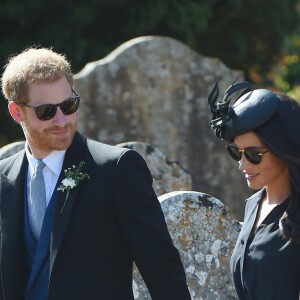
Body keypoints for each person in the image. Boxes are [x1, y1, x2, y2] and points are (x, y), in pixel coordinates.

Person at [0, 47, 191, 300]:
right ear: (16, 112)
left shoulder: (117, 169)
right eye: (46, 111)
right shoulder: (3, 177)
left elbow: (163, 272)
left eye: (69, 105)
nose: (61, 120)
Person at [207, 80, 300, 300]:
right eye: (237, 152)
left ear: (283, 147)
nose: (242, 164)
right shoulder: (254, 204)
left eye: (253, 154)